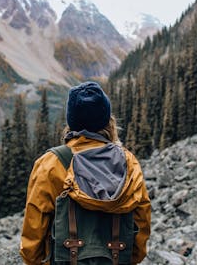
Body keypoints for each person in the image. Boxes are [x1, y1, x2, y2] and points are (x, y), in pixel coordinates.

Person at [20, 81, 151, 264]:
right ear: (108, 121)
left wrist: (35, 260)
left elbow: (34, 233)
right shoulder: (129, 162)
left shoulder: (50, 164)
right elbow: (141, 221)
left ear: (71, 122)